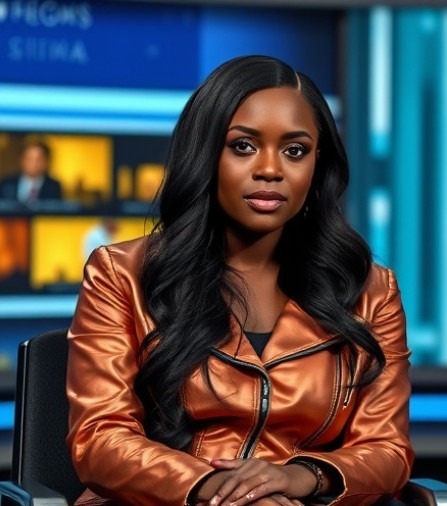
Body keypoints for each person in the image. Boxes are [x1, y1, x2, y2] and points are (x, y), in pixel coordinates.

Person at [66, 56, 413, 506]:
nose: (270, 169)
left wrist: (300, 476)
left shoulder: (371, 290)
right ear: (206, 153)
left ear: (317, 164)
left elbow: (387, 449)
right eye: (244, 146)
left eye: (295, 150)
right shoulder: (121, 272)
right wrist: (224, 492)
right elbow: (99, 438)